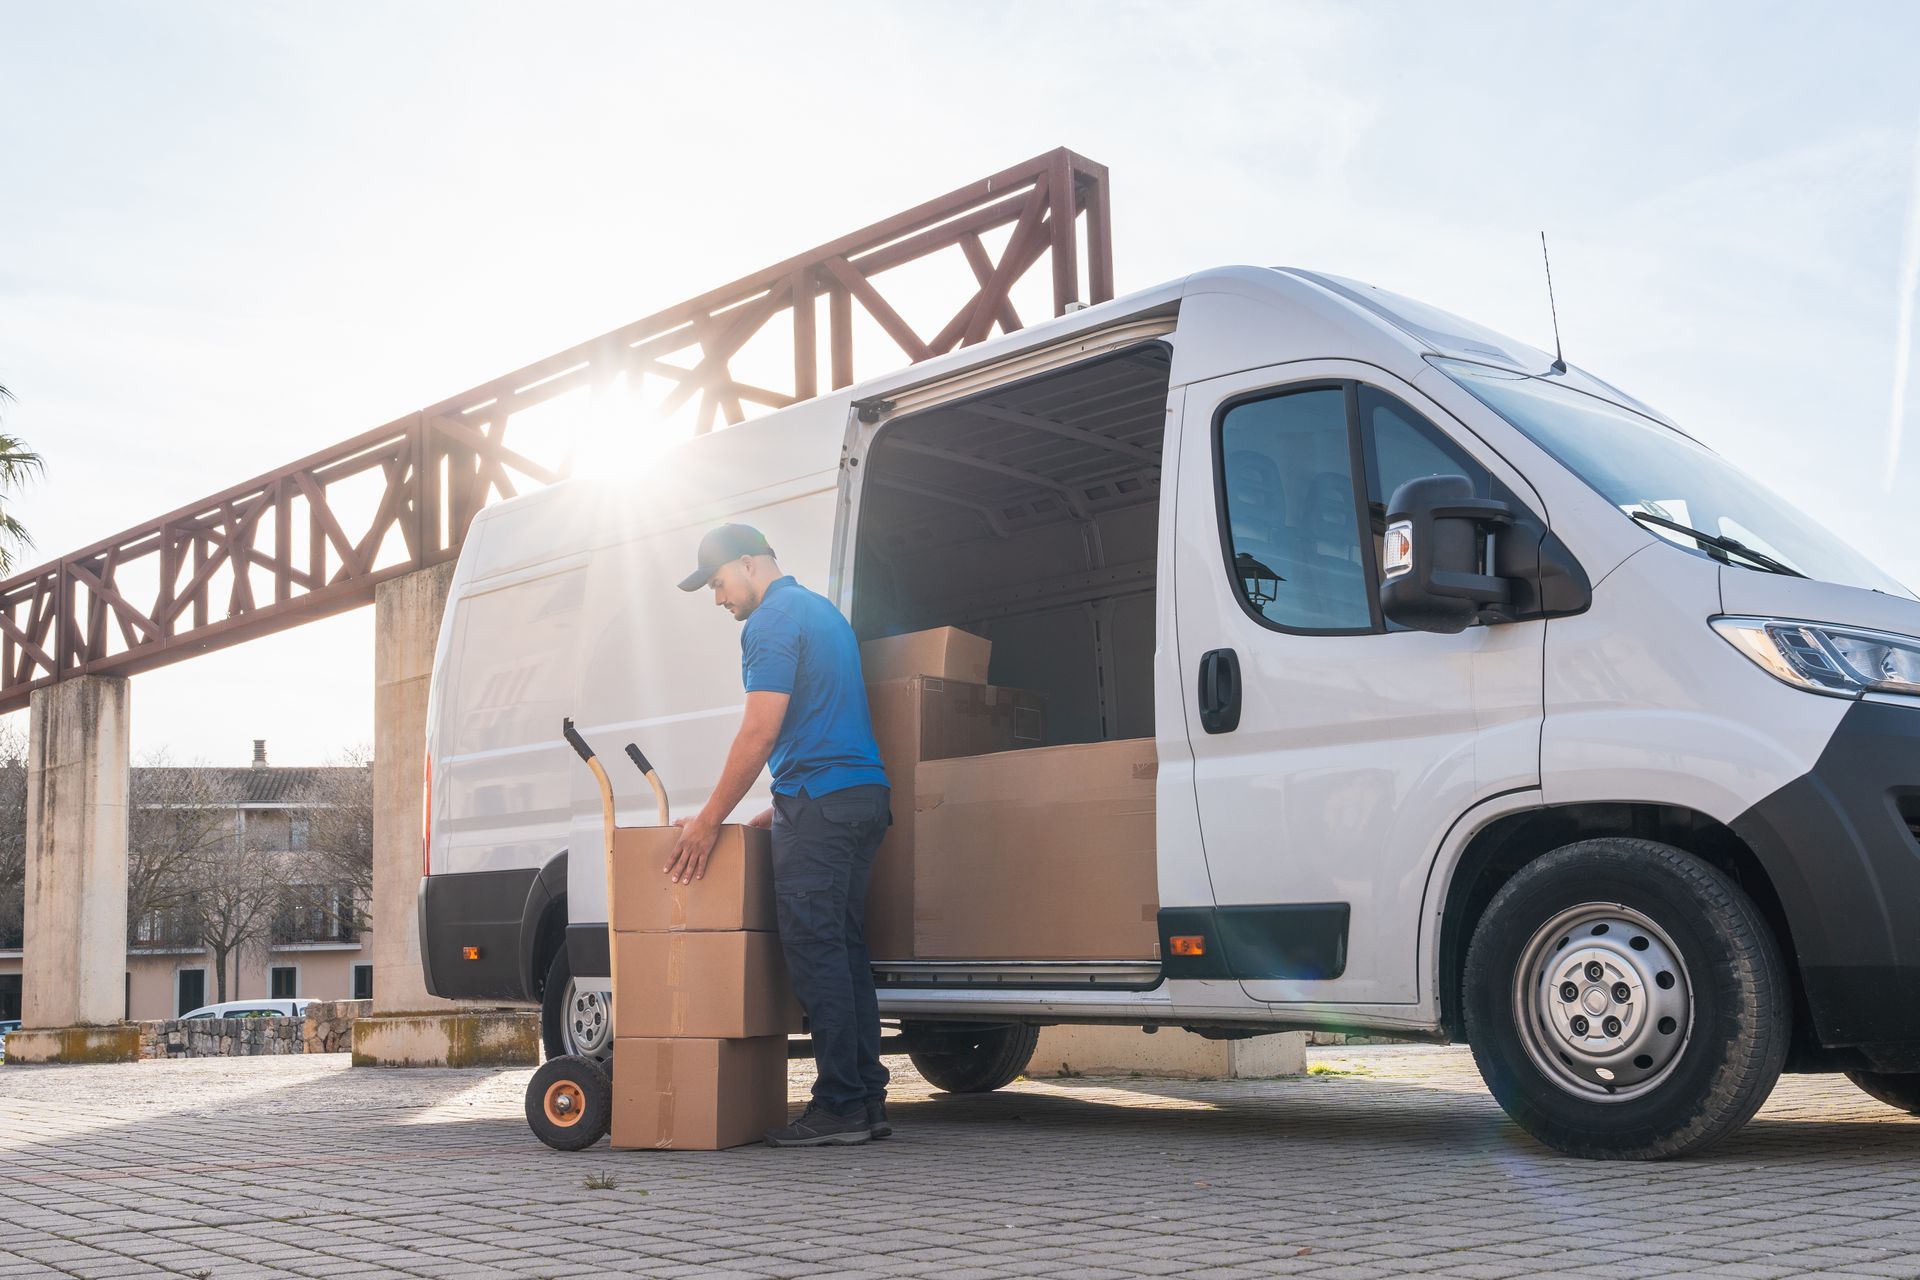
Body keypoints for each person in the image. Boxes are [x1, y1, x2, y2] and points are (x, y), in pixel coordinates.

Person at [664, 523, 893, 1147]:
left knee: (817, 954)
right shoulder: (822, 613)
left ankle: (841, 1105)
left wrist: (709, 820)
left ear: (748, 564)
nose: (718, 600)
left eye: (717, 584)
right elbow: (824, 725)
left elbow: (761, 732)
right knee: (844, 953)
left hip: (823, 804)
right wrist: (780, 807)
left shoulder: (766, 624)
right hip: (861, 797)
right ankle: (867, 1101)